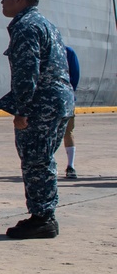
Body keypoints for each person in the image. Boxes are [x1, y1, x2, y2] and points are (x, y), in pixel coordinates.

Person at [0, 0, 75, 239]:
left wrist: (23, 109)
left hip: (41, 104)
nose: (2, 3)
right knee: (42, 159)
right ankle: (42, 214)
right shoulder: (45, 23)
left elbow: (27, 70)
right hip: (57, 101)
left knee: (36, 161)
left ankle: (43, 218)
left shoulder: (26, 26)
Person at [62, 46, 80, 179]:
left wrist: (67, 93)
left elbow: (75, 75)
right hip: (45, 100)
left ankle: (71, 166)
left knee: (67, 131)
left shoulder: (68, 52)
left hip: (65, 99)